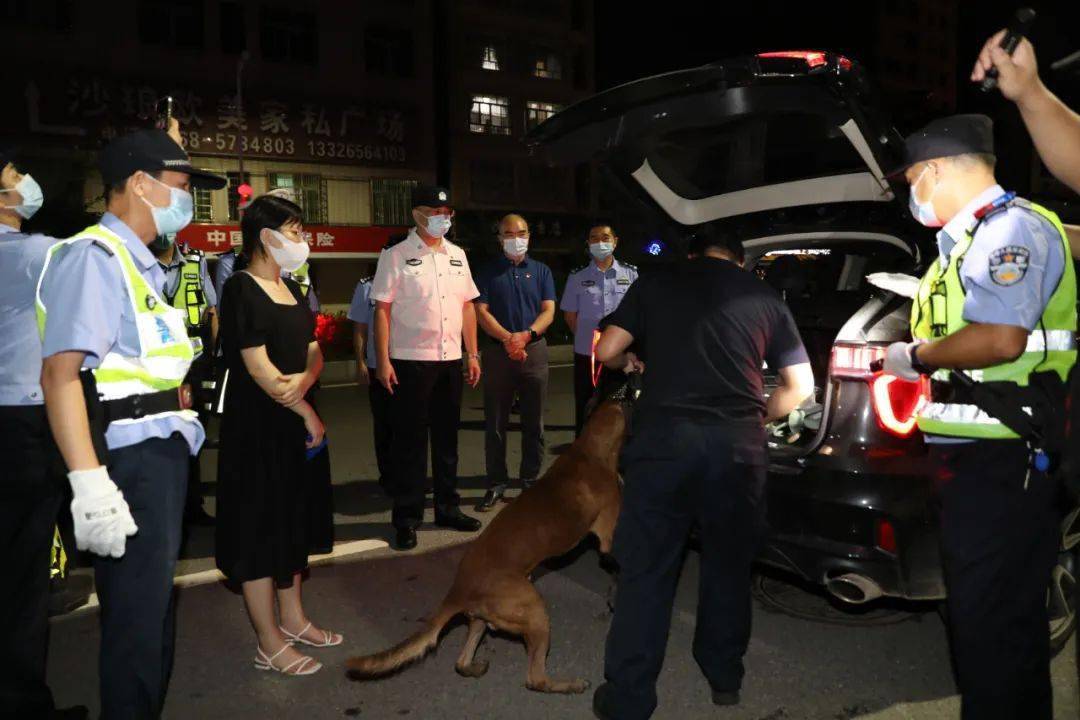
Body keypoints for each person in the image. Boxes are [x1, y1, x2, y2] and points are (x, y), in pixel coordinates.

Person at [882, 114, 1075, 719]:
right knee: (1003, 627)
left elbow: (999, 340)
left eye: (911, 179)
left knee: (990, 631)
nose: (910, 193)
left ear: (934, 170)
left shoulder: (1007, 231)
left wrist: (915, 356)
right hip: (980, 462)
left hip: (1002, 461)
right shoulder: (965, 243)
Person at [37, 129, 226, 718]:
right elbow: (60, 375)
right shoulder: (93, 258)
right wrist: (90, 485)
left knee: (150, 612)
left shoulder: (141, 264)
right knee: (137, 620)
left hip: (160, 449)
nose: (188, 199)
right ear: (141, 184)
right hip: (129, 458)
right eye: (181, 185)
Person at [590, 231, 814, 720]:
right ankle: (724, 676)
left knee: (647, 571)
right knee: (729, 565)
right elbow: (801, 387)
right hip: (736, 450)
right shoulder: (764, 297)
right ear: (739, 259)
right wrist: (756, 415)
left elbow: (606, 349)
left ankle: (628, 698)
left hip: (664, 446)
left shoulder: (656, 281)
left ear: (692, 254)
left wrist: (629, 358)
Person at [215, 194, 340, 676]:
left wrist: (306, 383)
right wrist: (306, 411)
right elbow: (259, 369)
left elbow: (314, 353)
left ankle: (294, 620)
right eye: (293, 232)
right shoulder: (241, 289)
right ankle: (268, 642)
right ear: (265, 237)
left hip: (292, 420)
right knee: (258, 531)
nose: (301, 241)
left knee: (291, 524)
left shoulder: (291, 286)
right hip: (258, 429)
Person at [0, 145, 87, 720]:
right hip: (24, 422)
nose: (27, 183)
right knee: (22, 577)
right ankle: (23, 705)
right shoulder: (37, 253)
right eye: (15, 177)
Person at [371, 185, 482, 550]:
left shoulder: (458, 255)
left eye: (447, 211)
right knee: (410, 444)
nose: (443, 218)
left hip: (450, 360)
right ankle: (407, 517)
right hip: (410, 361)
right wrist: (383, 359)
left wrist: (473, 353)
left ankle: (448, 507)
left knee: (448, 441)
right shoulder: (396, 255)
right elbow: (382, 309)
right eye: (436, 211)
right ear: (418, 214)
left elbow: (467, 306)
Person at [473, 214, 556, 511]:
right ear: (500, 238)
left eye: (521, 232)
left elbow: (549, 311)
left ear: (529, 235)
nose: (516, 237)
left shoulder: (542, 271)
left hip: (534, 351)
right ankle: (496, 482)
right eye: (509, 233)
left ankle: (531, 481)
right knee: (496, 423)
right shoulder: (487, 272)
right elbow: (481, 311)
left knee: (534, 422)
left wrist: (526, 335)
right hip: (498, 354)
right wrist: (509, 339)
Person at [151, 233, 218, 526]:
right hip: (153, 371)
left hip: (194, 367)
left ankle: (192, 505)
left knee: (193, 436)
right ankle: (162, 508)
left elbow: (211, 311)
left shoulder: (196, 261)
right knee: (159, 440)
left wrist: (213, 357)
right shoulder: (134, 262)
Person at [560, 224, 638, 436]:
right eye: (594, 238)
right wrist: (588, 341)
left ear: (615, 241)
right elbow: (569, 315)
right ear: (588, 244)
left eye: (605, 237)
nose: (600, 242)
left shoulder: (631, 275)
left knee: (619, 408)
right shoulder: (577, 277)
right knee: (586, 408)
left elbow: (638, 314)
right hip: (587, 355)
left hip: (620, 354)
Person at [347, 234, 407, 493]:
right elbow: (360, 328)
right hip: (377, 364)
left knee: (410, 424)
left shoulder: (413, 283)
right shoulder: (367, 286)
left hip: (408, 362)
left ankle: (410, 476)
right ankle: (389, 476)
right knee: (384, 424)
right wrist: (360, 361)